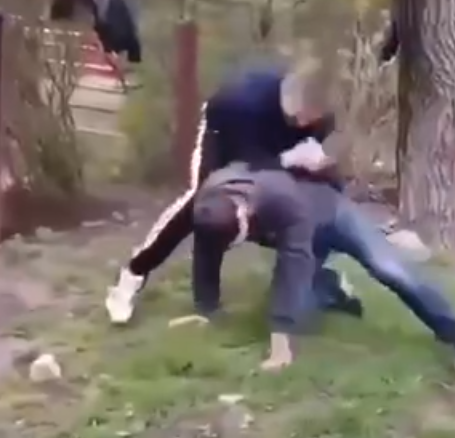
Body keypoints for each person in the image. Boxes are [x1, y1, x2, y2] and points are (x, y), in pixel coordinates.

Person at [105, 60, 360, 325]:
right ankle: (134, 273)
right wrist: (287, 160)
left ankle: (318, 279)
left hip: (275, 143)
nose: (308, 122)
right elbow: (250, 165)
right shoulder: (243, 103)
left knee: (314, 204)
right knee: (202, 204)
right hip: (225, 135)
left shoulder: (321, 111)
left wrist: (317, 162)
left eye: (315, 117)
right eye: (304, 115)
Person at [193, 164, 455, 372]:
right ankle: (331, 287)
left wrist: (280, 344)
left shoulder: (279, 198)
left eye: (242, 237)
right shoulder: (207, 208)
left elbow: (292, 265)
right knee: (302, 317)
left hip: (335, 216)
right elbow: (205, 254)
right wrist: (207, 310)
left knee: (389, 269)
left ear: (244, 212)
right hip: (300, 235)